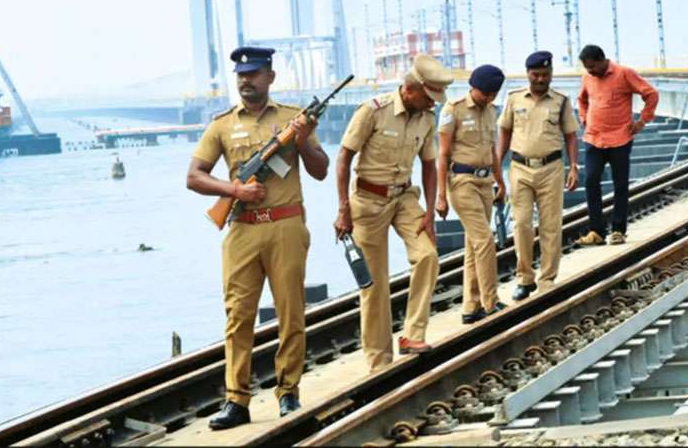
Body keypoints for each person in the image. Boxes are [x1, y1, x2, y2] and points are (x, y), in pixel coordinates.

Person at [186, 46, 329, 429]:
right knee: (238, 316)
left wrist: (302, 139)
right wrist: (234, 191)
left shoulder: (292, 120)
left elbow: (320, 171)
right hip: (243, 228)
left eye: (254, 74)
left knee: (290, 313)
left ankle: (288, 392)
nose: (246, 81)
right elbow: (194, 176)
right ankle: (237, 401)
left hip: (286, 226)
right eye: (241, 75)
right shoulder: (221, 125)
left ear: (270, 77)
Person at [334, 54, 453, 371]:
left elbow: (429, 164)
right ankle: (379, 360)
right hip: (367, 201)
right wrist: (343, 209)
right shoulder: (372, 112)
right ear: (410, 89)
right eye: (429, 97)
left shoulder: (426, 119)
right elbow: (344, 158)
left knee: (427, 256)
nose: (433, 105)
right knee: (374, 285)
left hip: (404, 198)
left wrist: (428, 211)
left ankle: (412, 334)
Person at [497, 51, 580, 302]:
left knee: (550, 225)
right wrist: (495, 169)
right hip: (520, 169)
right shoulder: (514, 100)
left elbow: (571, 136)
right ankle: (524, 278)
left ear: (551, 74)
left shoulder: (561, 101)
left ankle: (546, 279)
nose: (540, 79)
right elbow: (504, 133)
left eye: (545, 75)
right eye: (536, 75)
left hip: (551, 169)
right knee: (521, 224)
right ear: (528, 74)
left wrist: (574, 166)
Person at [436, 64, 508, 324]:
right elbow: (442, 155)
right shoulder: (452, 109)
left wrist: (501, 182)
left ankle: (470, 305)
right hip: (461, 181)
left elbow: (493, 151)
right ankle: (491, 302)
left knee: (473, 245)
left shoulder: (491, 111)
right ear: (473, 88)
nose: (488, 98)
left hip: (485, 181)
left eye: (493, 94)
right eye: (485, 93)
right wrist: (440, 196)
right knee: (485, 240)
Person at [574, 44, 659, 247]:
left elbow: (651, 94)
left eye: (593, 67)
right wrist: (584, 118)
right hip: (594, 138)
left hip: (620, 139)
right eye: (587, 68)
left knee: (620, 184)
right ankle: (597, 231)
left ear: (603, 60)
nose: (590, 71)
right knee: (591, 180)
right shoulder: (587, 78)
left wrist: (641, 121)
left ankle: (618, 230)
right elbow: (582, 99)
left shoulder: (624, 73)